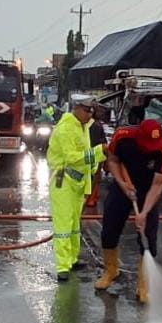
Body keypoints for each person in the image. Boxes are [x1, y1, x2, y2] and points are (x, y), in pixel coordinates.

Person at [94, 119, 162, 304]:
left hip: (148, 190)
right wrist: (122, 184)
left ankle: (143, 285)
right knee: (109, 230)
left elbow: (157, 185)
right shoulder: (123, 137)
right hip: (123, 184)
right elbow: (113, 160)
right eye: (146, 145)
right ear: (138, 136)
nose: (149, 149)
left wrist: (143, 213)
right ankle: (111, 271)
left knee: (148, 238)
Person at [46, 94, 106, 281]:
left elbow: (84, 153)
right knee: (63, 225)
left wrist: (94, 167)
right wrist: (99, 153)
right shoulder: (65, 129)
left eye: (92, 111)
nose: (90, 114)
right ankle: (63, 266)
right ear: (77, 109)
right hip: (64, 182)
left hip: (77, 182)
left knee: (73, 225)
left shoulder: (83, 127)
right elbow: (72, 157)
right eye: (87, 110)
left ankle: (72, 258)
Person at [85, 104, 109, 209]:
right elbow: (102, 142)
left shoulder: (87, 125)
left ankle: (90, 198)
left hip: (88, 154)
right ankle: (91, 198)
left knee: (90, 176)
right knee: (94, 176)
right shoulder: (96, 125)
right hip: (94, 154)